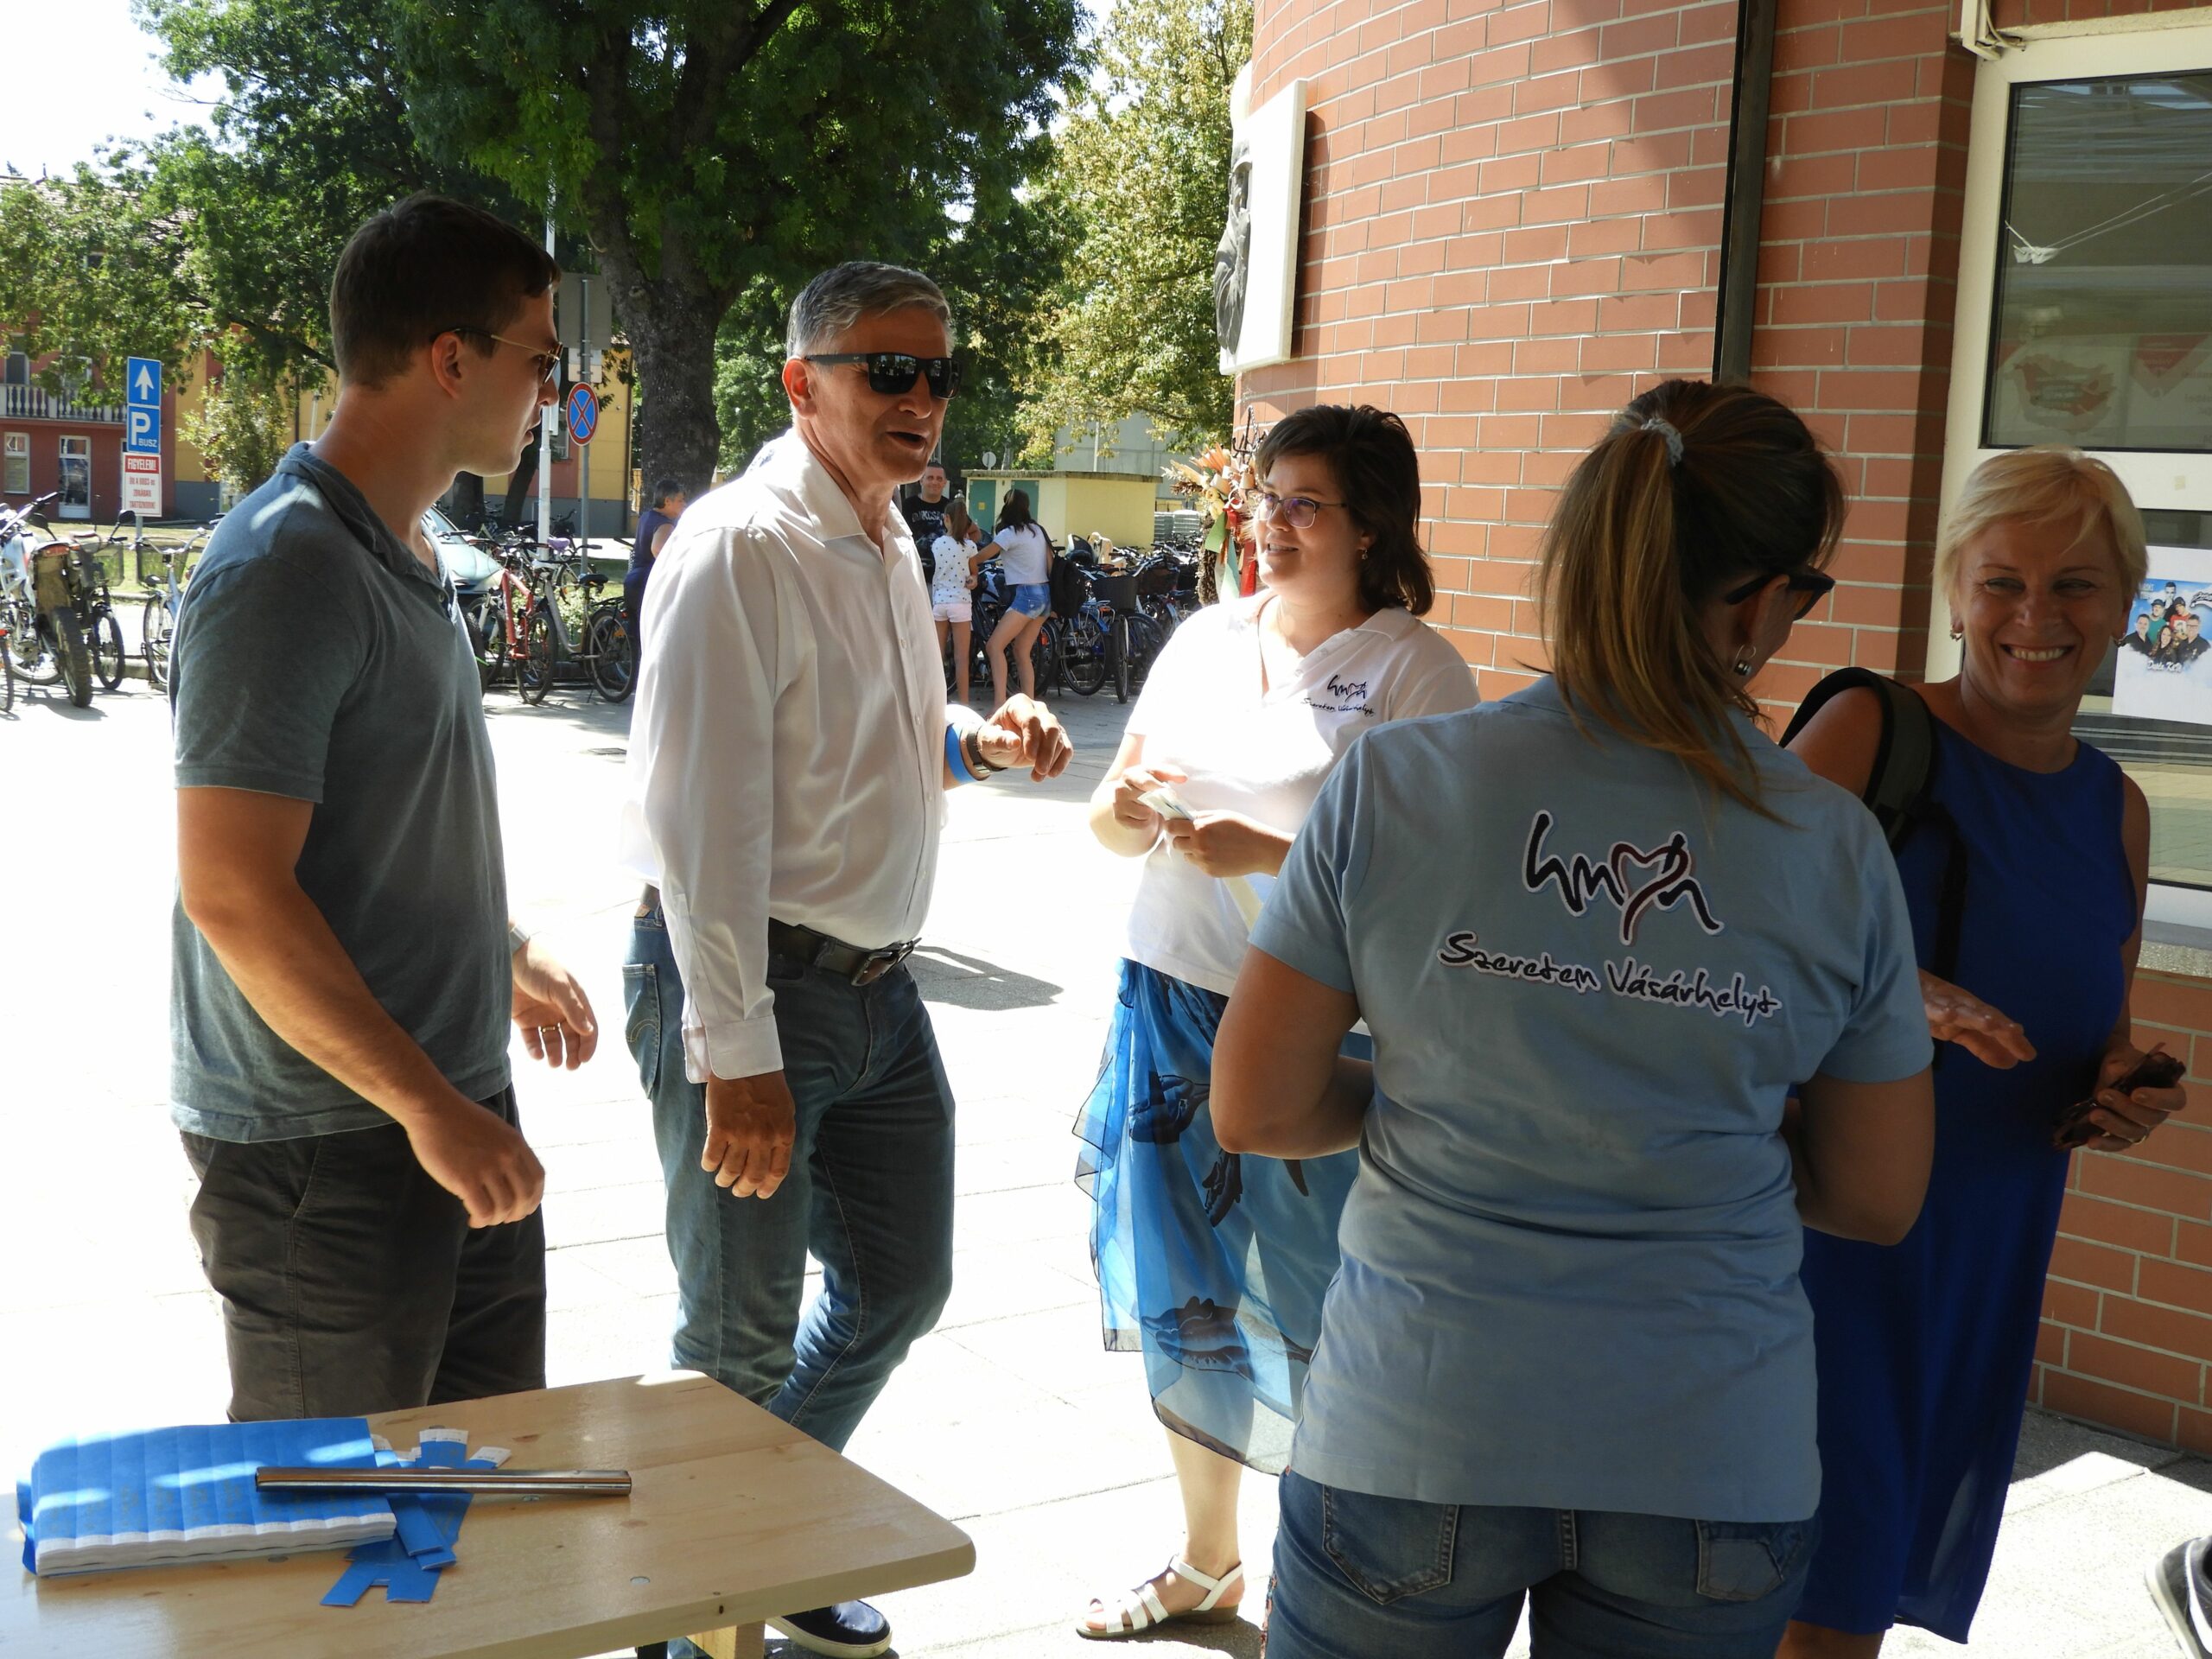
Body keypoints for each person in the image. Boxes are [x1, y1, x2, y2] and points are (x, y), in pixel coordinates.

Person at [1211, 379, 1938, 1659]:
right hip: (1707, 1455)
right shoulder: (1831, 844)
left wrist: (1441, 1100)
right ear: (1759, 601)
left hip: (1416, 1417)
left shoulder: (1397, 780)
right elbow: (1876, 1196)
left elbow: (1259, 1107)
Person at [618, 261, 1073, 1659]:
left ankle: (764, 1544)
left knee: (897, 1285)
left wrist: (973, 741)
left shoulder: (879, 536)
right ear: (802, 381)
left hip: (880, 996)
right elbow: (693, 827)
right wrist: (734, 1051)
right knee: (738, 1343)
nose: (924, 398)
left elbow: (871, 737)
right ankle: (688, 1628)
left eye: (940, 372)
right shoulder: (740, 547)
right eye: (891, 369)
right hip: (753, 986)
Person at [168, 194, 597, 1423]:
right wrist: (427, 1108)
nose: (553, 395)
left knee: (472, 1510)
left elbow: (382, 816)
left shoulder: (405, 547)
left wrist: (496, 951)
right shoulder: (286, 566)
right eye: (543, 359)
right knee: (331, 1546)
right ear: (451, 357)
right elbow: (234, 891)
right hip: (330, 1147)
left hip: (442, 1108)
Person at [1073, 404, 1479, 1640]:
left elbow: (1436, 886)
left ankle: (1330, 1566)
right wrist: (1130, 811)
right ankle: (1207, 1560)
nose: (1273, 524)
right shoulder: (1205, 637)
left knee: (1320, 1300)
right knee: (1180, 1286)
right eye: (1265, 498)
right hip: (1165, 992)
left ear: (1373, 525)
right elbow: (1106, 817)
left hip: (1313, 1022)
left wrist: (1270, 848)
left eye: (1306, 504)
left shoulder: (1417, 670)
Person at [1781, 446, 2186, 1656]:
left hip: (1989, 1253)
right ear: (1955, 587)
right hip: (1827, 1248)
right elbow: (1723, 953)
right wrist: (1892, 991)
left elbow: (2094, 1034)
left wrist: (2121, 1095)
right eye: (2002, 579)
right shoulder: (1871, 731)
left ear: (2126, 606)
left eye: (2076, 586)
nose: (2035, 616)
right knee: (1817, 1602)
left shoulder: (2116, 803)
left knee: (1850, 1598)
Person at [981, 488, 1053, 704]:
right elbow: (1050, 561)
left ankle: (999, 706)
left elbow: (982, 556)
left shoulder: (1008, 534)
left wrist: (966, 564)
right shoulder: (1037, 531)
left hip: (1027, 594)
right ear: (1027, 507)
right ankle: (1030, 706)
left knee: (994, 646)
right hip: (1045, 595)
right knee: (1022, 651)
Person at [930, 497, 984, 702]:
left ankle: (937, 701)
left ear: (946, 519)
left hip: (940, 602)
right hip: (960, 602)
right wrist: (973, 580)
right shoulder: (970, 546)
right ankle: (965, 703)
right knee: (961, 658)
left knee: (938, 655)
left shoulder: (937, 544)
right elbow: (973, 575)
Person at [626, 476, 689, 640]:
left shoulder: (646, 517)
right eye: (681, 500)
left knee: (636, 638)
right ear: (668, 501)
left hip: (634, 579)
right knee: (654, 637)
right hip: (648, 583)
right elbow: (658, 549)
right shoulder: (665, 524)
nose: (684, 504)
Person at [904, 456, 954, 588]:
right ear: (921, 480)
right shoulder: (907, 506)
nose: (935, 482)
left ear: (945, 483)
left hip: (946, 578)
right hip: (914, 575)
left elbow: (973, 532)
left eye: (939, 479)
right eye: (930, 477)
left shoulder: (951, 507)